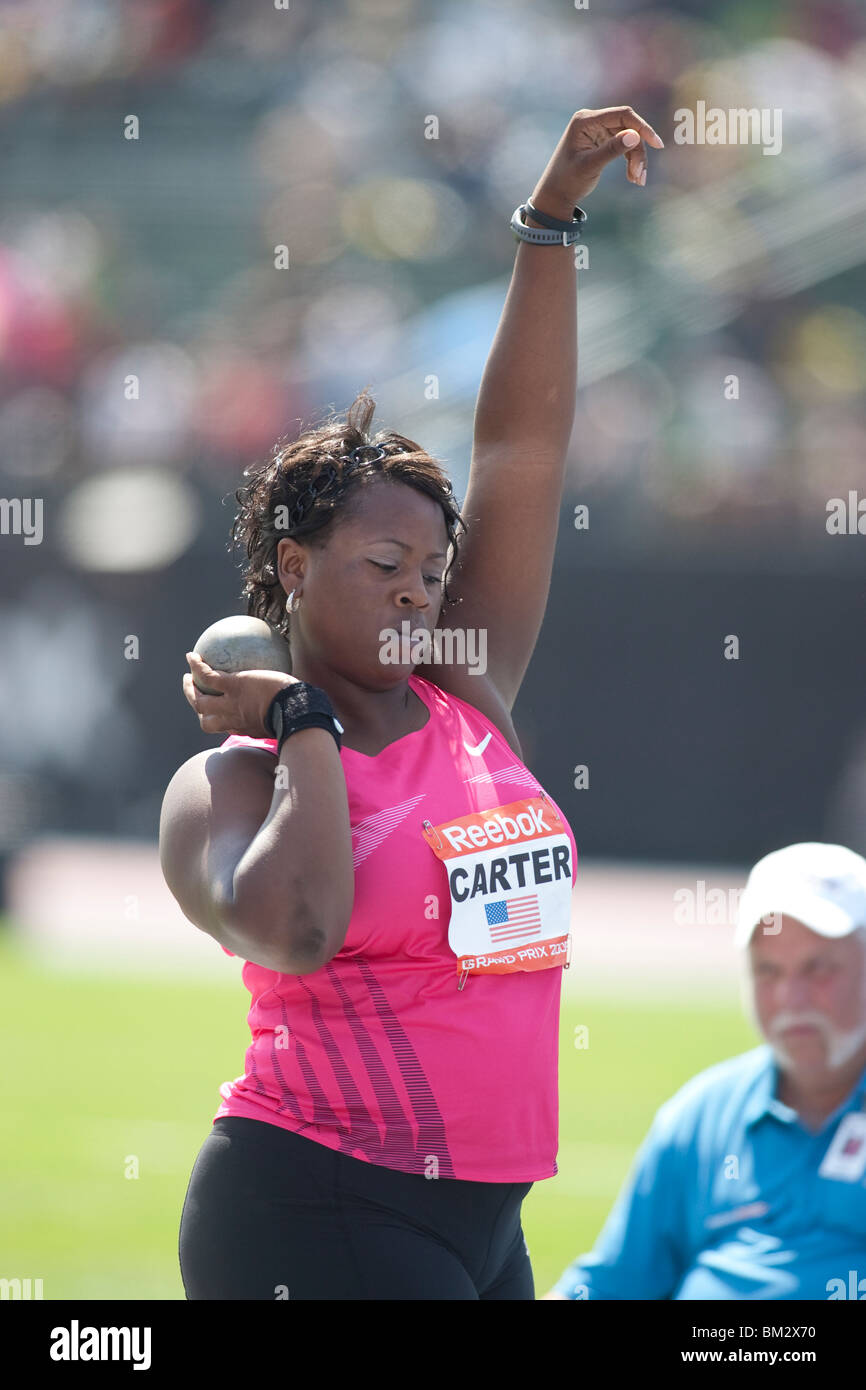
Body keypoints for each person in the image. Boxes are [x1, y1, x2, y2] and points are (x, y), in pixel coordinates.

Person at [158, 104, 664, 1300]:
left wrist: (548, 220)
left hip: (489, 1225)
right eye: (382, 569)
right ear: (293, 568)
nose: (416, 598)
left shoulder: (464, 693)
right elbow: (296, 930)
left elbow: (524, 453)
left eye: (431, 574)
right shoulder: (230, 778)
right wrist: (303, 728)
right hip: (311, 1202)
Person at [546, 842, 866, 1300]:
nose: (791, 1001)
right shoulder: (703, 1115)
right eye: (768, 971)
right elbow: (610, 1285)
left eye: (819, 970)